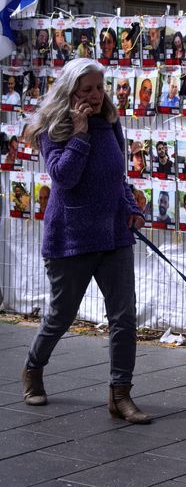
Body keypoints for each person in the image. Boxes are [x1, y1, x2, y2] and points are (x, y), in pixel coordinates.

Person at [19, 58, 151, 423]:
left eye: (99, 88)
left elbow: (117, 177)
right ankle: (33, 369)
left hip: (113, 234)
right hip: (71, 237)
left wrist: (130, 208)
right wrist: (79, 134)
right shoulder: (53, 127)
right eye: (87, 89)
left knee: (124, 316)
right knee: (62, 315)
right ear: (70, 91)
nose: (95, 96)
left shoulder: (110, 121)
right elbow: (64, 178)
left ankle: (120, 394)